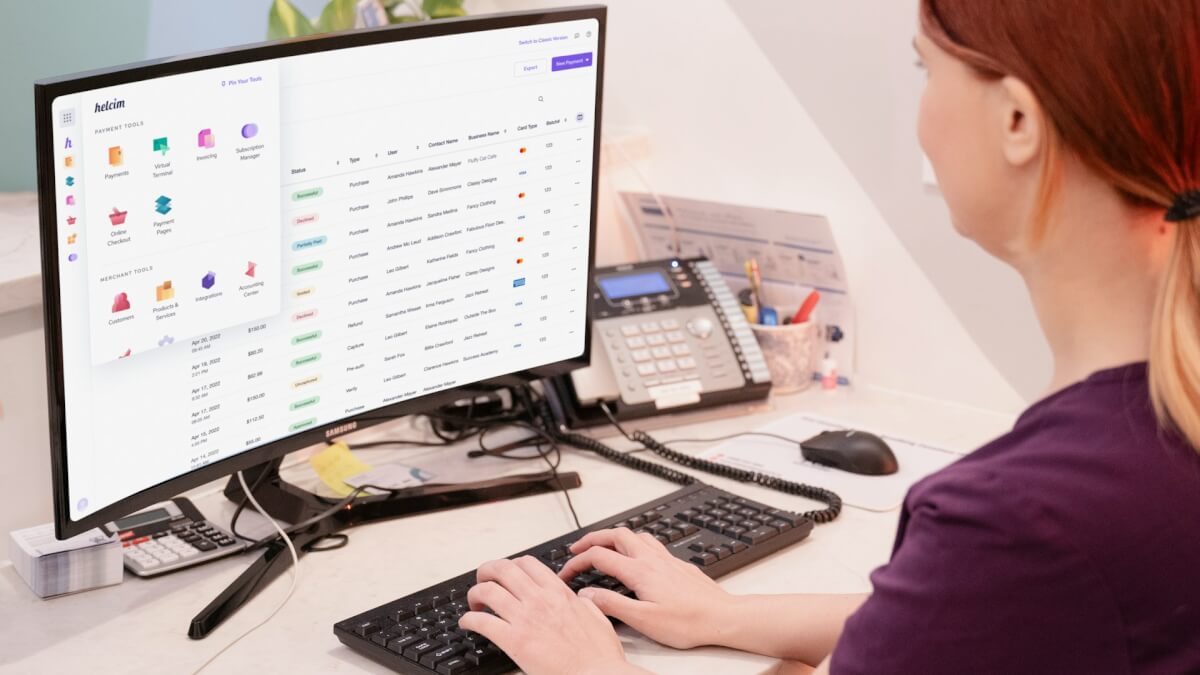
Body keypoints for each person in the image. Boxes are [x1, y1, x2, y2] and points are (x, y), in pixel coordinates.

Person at [457, 0, 1200, 672]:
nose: (919, 116)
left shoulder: (1016, 519)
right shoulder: (1150, 438)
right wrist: (723, 616)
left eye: (925, 70)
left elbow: (981, 595)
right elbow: (970, 622)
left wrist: (593, 668)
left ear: (1018, 122)